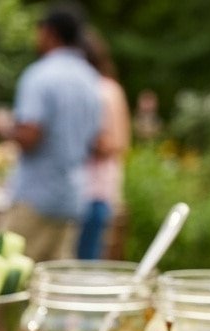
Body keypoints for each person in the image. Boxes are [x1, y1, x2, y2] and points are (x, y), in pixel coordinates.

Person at [0, 3, 101, 262]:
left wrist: (2, 127)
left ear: (49, 32)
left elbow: (30, 135)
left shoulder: (40, 75)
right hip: (72, 197)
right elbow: (94, 139)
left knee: (1, 271)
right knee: (52, 284)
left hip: (35, 197)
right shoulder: (91, 78)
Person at [76, 28, 130, 260]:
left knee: (85, 263)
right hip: (91, 190)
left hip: (94, 189)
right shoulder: (108, 88)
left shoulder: (102, 90)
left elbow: (116, 142)